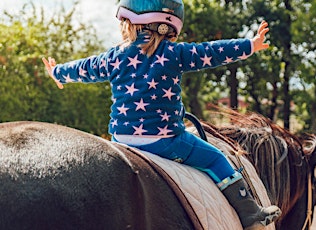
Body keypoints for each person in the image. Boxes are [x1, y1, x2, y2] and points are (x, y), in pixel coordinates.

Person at [42, 0, 281, 228]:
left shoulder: (114, 56)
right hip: (165, 141)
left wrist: (58, 73)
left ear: (129, 23)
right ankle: (251, 215)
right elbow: (211, 51)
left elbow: (85, 67)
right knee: (216, 159)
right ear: (169, 26)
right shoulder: (174, 53)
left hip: (122, 140)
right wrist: (251, 45)